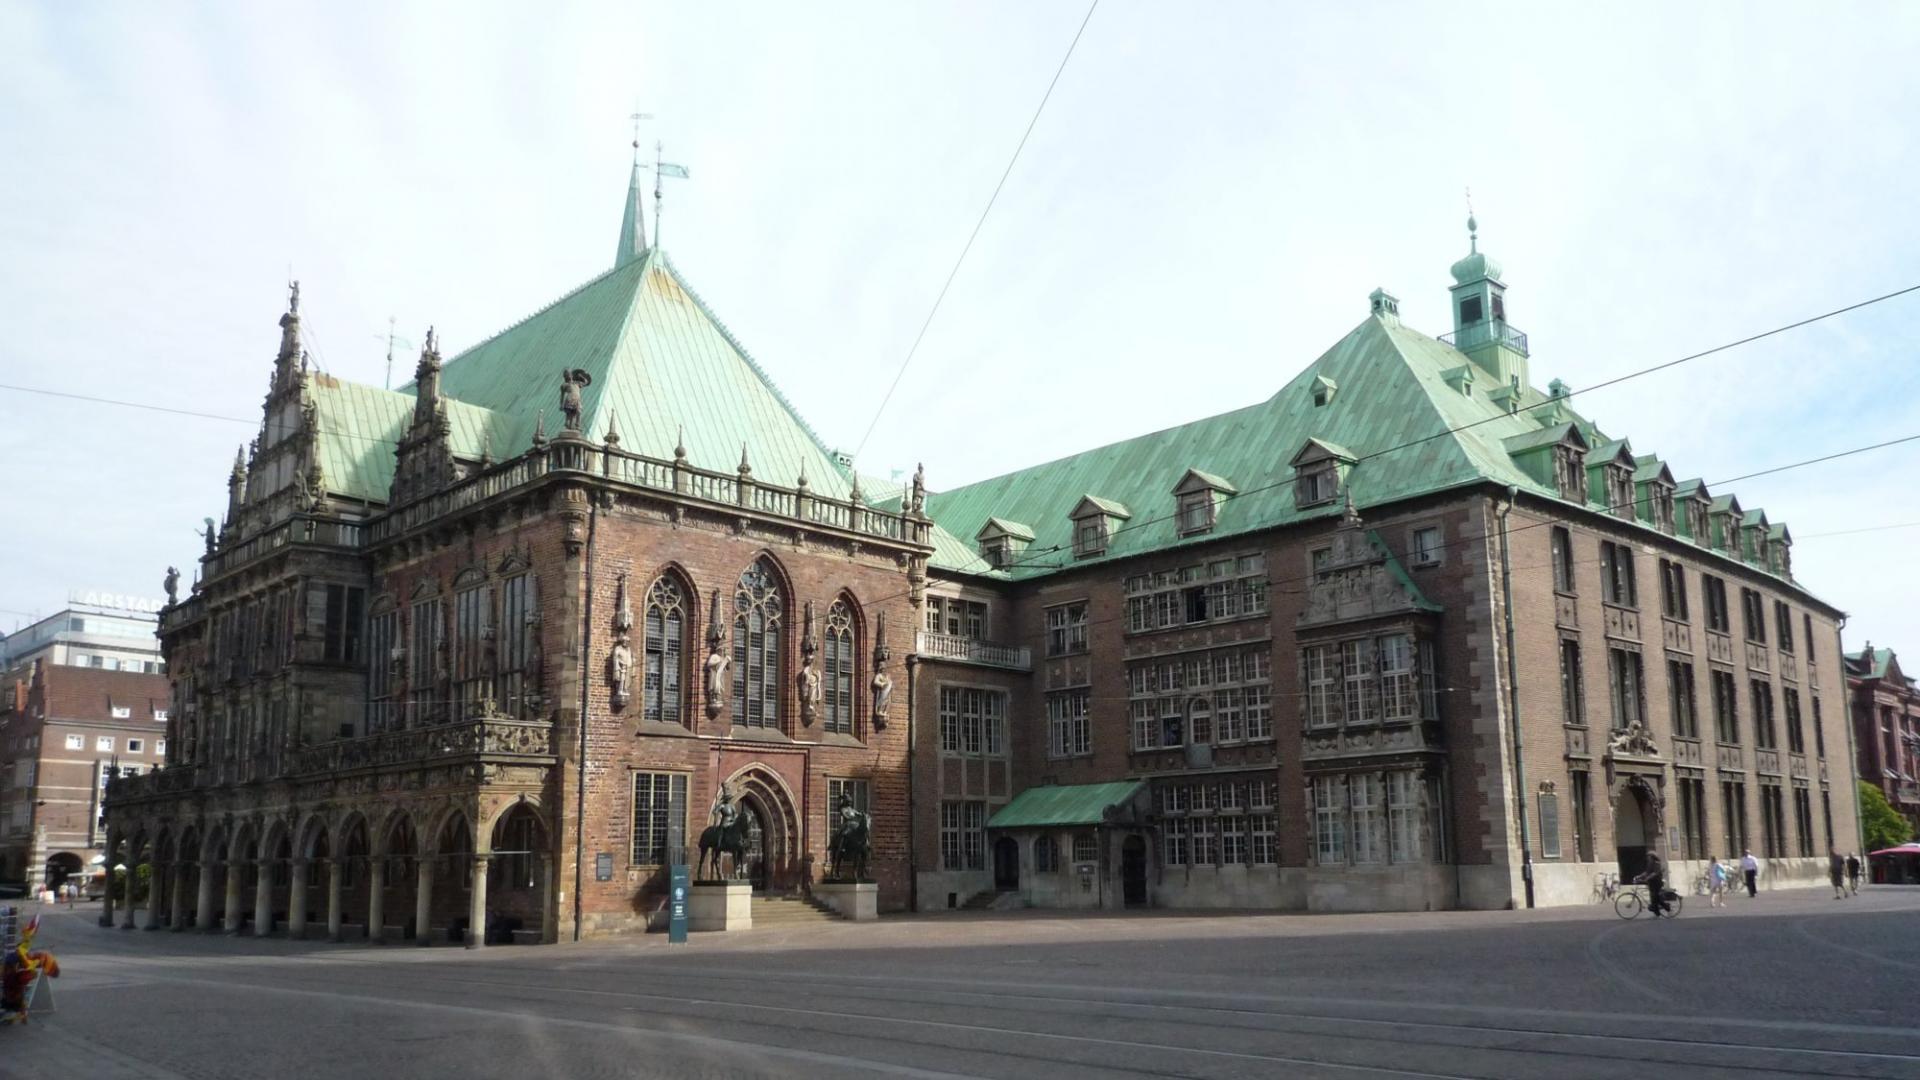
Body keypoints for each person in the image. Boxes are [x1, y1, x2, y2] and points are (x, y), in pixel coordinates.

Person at [1636, 850, 1669, 916]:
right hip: (1651, 882)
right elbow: (1646, 872)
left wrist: (1647, 878)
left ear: (1652, 857)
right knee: (1653, 897)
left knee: (1655, 897)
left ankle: (1666, 907)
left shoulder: (1656, 863)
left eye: (1649, 856)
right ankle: (1656, 911)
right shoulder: (1650, 864)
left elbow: (1655, 873)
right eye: (1647, 856)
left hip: (1657, 882)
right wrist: (1639, 876)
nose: (1648, 858)